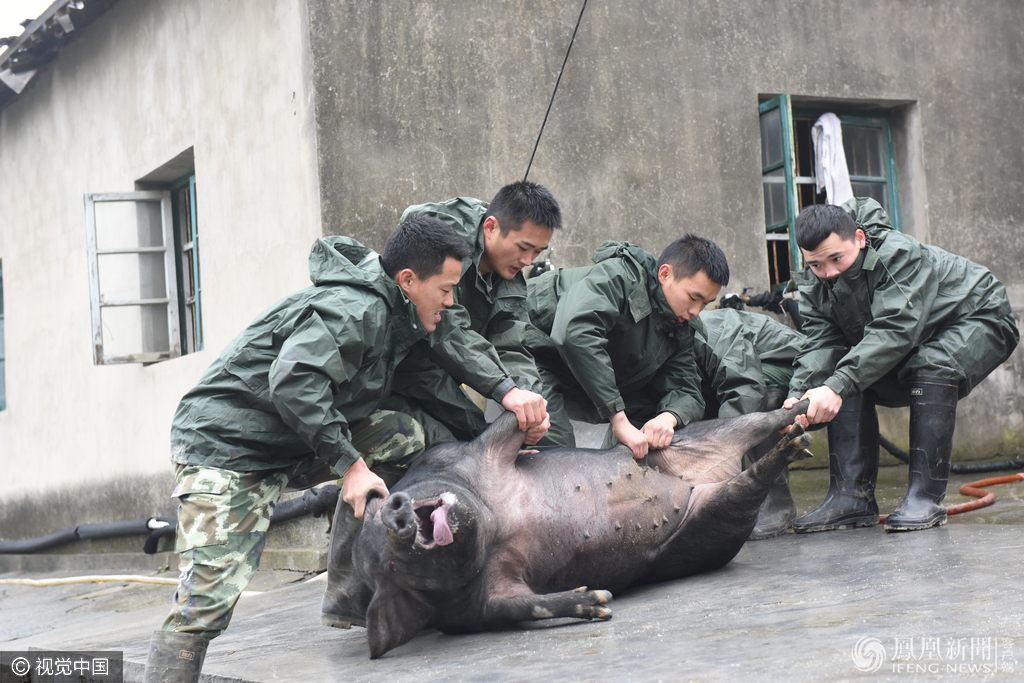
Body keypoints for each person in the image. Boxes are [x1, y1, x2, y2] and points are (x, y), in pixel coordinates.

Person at [143, 217, 545, 683]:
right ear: (408, 280)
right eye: (447, 289)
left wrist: (497, 444)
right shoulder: (355, 310)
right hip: (227, 449)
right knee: (209, 597)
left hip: (288, 443)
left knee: (405, 434)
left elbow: (434, 393)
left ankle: (354, 594)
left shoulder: (399, 322)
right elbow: (294, 382)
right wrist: (350, 466)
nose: (452, 301)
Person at [783, 199, 1019, 533]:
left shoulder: (899, 256)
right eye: (816, 264)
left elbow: (894, 330)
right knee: (839, 374)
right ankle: (851, 499)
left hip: (980, 315)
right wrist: (799, 398)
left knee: (932, 361)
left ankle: (925, 499)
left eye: (837, 258)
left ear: (860, 239)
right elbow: (822, 345)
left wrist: (836, 384)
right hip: (919, 336)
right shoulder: (816, 284)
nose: (829, 272)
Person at [388, 180, 562, 447]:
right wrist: (507, 391)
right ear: (491, 227)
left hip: (440, 373)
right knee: (449, 447)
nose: (528, 261)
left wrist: (531, 405)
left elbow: (513, 342)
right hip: (396, 372)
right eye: (523, 247)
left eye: (537, 252)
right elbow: (448, 328)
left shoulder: (508, 272)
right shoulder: (447, 244)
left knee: (479, 441)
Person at [526, 235, 729, 458]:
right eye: (693, 298)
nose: (696, 311)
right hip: (533, 354)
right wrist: (618, 419)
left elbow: (686, 389)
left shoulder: (681, 326)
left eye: (705, 304)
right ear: (664, 274)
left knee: (652, 410)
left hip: (581, 376)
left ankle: (614, 471)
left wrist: (668, 418)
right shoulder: (618, 277)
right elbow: (576, 334)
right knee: (558, 456)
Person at [694, 307, 805, 539]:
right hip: (755, 374)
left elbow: (747, 390)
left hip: (799, 372)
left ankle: (779, 502)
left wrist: (715, 457)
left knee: (753, 396)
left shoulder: (710, 329)